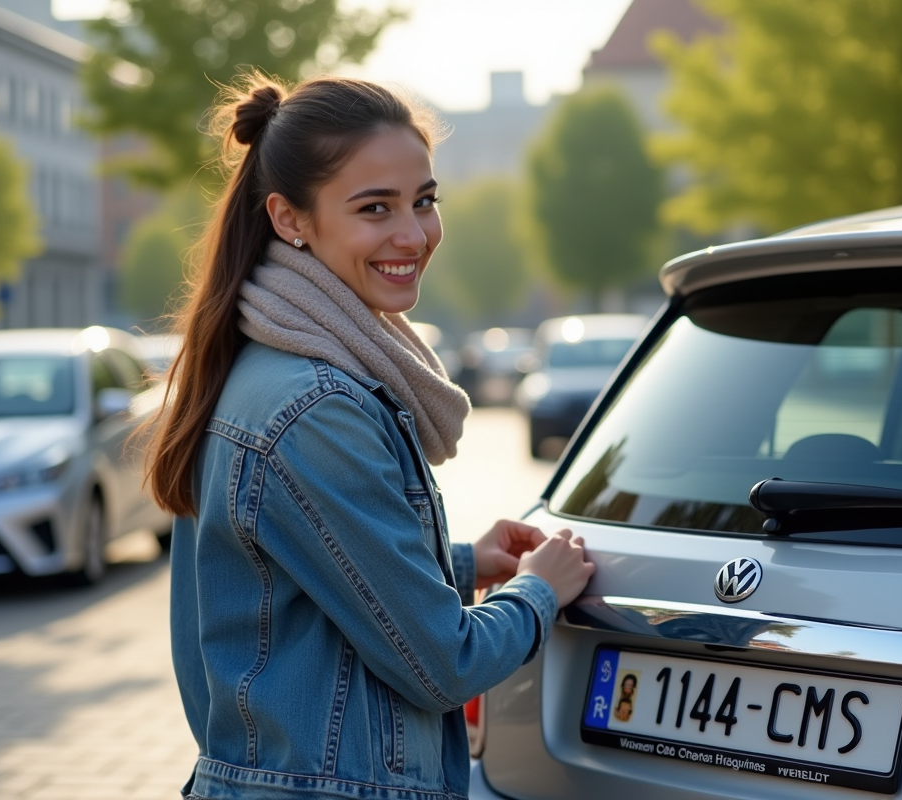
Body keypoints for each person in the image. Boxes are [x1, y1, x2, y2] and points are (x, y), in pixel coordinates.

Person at [143, 74, 595, 800]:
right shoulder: (315, 407)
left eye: (424, 201)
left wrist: (455, 563)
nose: (413, 235)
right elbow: (444, 665)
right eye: (374, 208)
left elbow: (291, 573)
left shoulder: (265, 367)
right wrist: (540, 593)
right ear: (292, 219)